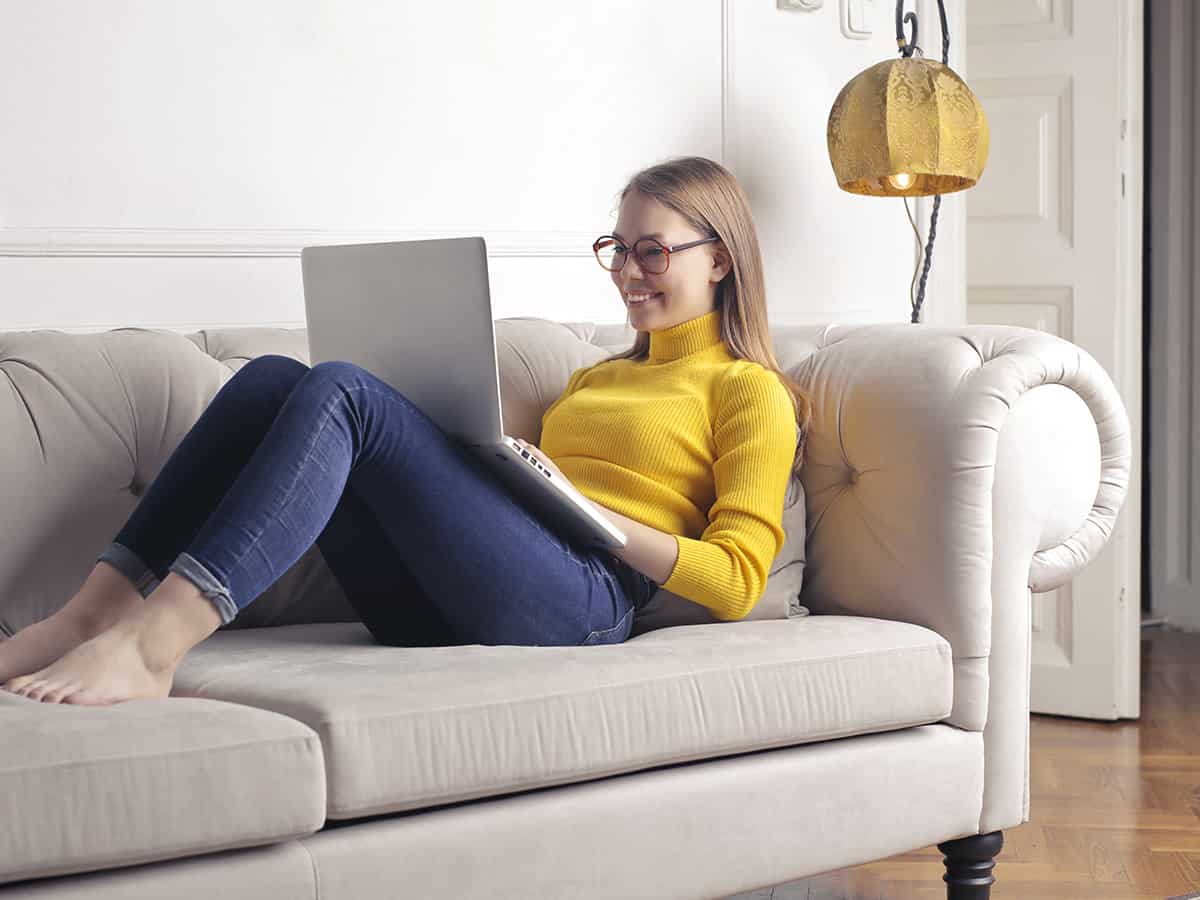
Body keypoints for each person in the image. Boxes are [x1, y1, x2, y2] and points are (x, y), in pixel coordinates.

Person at [0, 155, 811, 706]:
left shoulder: (750, 391)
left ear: (720, 259)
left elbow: (738, 579)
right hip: (454, 597)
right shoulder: (599, 375)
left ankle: (155, 646)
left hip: (586, 602)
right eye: (616, 250)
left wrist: (597, 519)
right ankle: (88, 617)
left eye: (651, 252)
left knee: (347, 392)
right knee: (274, 380)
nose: (629, 273)